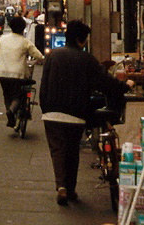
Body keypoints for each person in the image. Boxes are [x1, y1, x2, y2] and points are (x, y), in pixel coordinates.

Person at [39, 20, 133, 206]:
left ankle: (61, 187)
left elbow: (44, 86)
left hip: (51, 113)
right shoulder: (87, 59)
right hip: (75, 114)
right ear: (81, 40)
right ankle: (70, 188)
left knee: (57, 150)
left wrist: (45, 108)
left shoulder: (52, 56)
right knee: (72, 150)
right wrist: (125, 86)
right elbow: (105, 84)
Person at [0, 16, 44, 128]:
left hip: (1, 73)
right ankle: (11, 111)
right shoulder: (25, 42)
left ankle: (10, 113)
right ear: (23, 28)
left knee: (7, 94)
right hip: (18, 74)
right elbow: (38, 55)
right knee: (18, 96)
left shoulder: (2, 39)